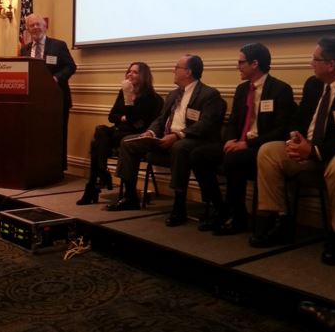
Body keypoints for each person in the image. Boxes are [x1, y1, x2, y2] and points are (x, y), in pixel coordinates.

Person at [251, 37, 335, 266]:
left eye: (315, 59)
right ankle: (280, 220)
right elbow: (298, 118)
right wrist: (295, 139)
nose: (311, 63)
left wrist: (314, 150)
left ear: (331, 64)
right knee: (269, 151)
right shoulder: (313, 84)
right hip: (309, 148)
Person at [106, 54, 226, 225]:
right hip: (165, 137)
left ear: (188, 72)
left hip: (192, 139)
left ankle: (179, 206)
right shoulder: (173, 94)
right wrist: (150, 132)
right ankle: (130, 196)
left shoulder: (208, 94)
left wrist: (178, 135)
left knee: (179, 147)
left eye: (177, 68)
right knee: (128, 142)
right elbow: (161, 119)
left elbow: (206, 124)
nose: (173, 71)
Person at [198, 43, 295, 235]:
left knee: (234, 159)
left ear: (255, 64)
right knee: (199, 155)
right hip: (240, 143)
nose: (238, 66)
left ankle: (237, 216)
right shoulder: (242, 89)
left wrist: (247, 144)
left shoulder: (280, 89)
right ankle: (220, 208)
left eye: (241, 62)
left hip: (261, 146)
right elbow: (234, 120)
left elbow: (281, 130)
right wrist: (230, 139)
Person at [77, 62, 163, 205]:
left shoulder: (150, 97)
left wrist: (128, 100)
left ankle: (93, 187)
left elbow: (134, 119)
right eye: (129, 71)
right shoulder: (123, 92)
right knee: (100, 130)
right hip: (119, 131)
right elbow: (112, 116)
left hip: (134, 135)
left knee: (97, 144)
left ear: (143, 76)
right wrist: (124, 117)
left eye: (135, 72)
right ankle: (102, 171)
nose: (130, 74)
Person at [19, 13, 76, 170]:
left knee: (57, 135)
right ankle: (37, 167)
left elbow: (71, 66)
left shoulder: (58, 45)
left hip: (57, 100)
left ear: (45, 27)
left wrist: (56, 78)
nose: (35, 27)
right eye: (32, 25)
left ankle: (57, 168)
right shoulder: (24, 50)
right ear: (28, 29)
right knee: (36, 135)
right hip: (33, 102)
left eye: (38, 24)